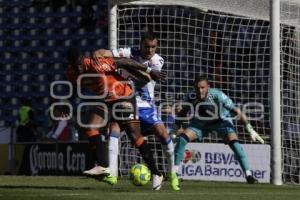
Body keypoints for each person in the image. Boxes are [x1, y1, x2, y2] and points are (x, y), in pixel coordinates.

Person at [65, 47, 165, 190]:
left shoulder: (96, 63)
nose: (79, 67)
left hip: (123, 94)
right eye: (75, 65)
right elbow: (73, 87)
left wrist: (149, 71)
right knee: (91, 127)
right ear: (70, 64)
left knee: (134, 136)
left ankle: (156, 173)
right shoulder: (71, 73)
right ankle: (102, 166)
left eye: (80, 63)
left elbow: (124, 61)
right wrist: (66, 103)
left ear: (83, 58)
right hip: (105, 100)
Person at [94, 31, 179, 190]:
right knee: (114, 127)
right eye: (147, 46)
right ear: (140, 45)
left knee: (163, 133)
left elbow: (144, 79)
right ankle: (112, 172)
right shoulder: (129, 52)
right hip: (125, 101)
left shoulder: (157, 61)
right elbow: (103, 54)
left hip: (145, 104)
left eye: (153, 46)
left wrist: (122, 63)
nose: (150, 50)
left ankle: (171, 173)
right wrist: (101, 55)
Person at [173, 75, 265, 187]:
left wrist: (250, 129)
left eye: (202, 88)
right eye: (197, 88)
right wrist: (176, 128)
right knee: (182, 139)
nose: (200, 90)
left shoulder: (218, 95)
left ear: (208, 87)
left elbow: (237, 111)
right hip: (202, 123)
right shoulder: (191, 96)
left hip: (222, 121)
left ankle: (248, 175)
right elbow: (182, 113)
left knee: (235, 145)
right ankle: (174, 173)